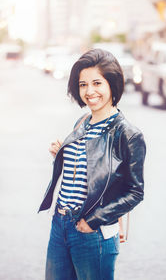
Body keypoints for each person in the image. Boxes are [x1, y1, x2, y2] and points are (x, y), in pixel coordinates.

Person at [38, 48, 146, 280]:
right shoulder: (82, 122)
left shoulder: (127, 134)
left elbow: (135, 191)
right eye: (83, 84)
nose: (90, 91)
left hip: (91, 230)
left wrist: (93, 221)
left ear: (112, 84)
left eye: (97, 83)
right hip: (60, 223)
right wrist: (62, 155)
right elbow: (91, 170)